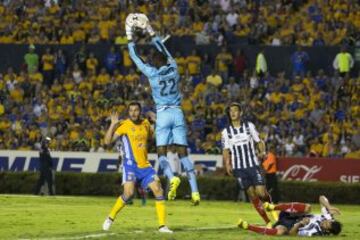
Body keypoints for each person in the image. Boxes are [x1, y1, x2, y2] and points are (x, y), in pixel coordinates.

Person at [125, 13, 200, 205]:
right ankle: (195, 192)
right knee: (183, 153)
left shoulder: (152, 73)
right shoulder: (174, 67)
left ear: (154, 63)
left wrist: (130, 37)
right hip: (177, 111)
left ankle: (171, 176)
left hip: (163, 113)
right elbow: (163, 49)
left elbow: (135, 58)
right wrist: (150, 32)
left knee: (161, 153)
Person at [102, 102, 172, 233]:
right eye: (131, 111)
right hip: (130, 166)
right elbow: (107, 143)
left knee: (158, 189)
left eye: (136, 110)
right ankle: (110, 218)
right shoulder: (124, 125)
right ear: (128, 112)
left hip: (145, 166)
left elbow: (153, 138)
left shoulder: (146, 123)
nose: (133, 113)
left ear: (140, 111)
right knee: (128, 194)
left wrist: (156, 122)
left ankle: (162, 226)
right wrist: (112, 124)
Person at [221, 102, 277, 227]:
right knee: (252, 194)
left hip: (252, 165)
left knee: (261, 193)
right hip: (239, 168)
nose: (233, 113)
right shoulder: (226, 132)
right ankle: (267, 222)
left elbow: (259, 141)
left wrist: (262, 151)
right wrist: (227, 164)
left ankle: (273, 210)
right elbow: (225, 150)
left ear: (241, 113)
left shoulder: (249, 126)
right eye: (231, 111)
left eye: (235, 110)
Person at [238, 195, 342, 237]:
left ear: (327, 231)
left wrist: (300, 224)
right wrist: (329, 206)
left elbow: (292, 234)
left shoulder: (314, 233)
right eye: (328, 222)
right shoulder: (328, 218)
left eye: (327, 225)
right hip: (292, 214)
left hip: (290, 225)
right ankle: (273, 207)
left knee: (280, 232)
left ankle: (247, 226)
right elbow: (321, 197)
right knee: (308, 207)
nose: (325, 222)